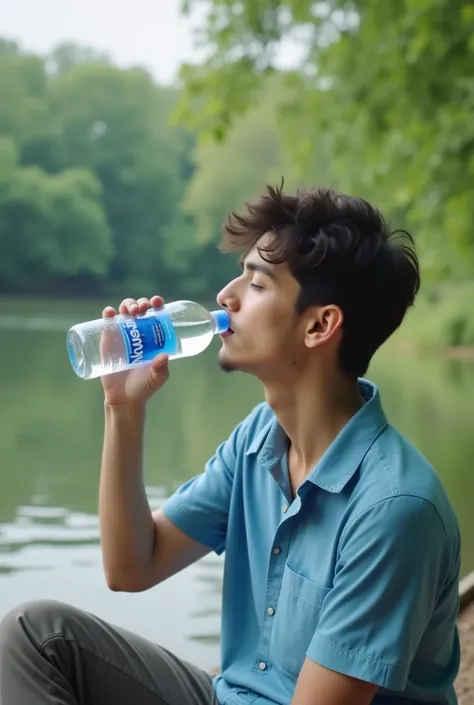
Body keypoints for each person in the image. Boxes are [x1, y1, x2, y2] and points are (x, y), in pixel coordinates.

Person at [0, 183, 461, 705]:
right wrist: (123, 408)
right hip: (231, 697)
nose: (225, 296)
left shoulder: (395, 509)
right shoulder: (258, 440)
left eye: (257, 284)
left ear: (319, 325)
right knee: (37, 635)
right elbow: (131, 566)